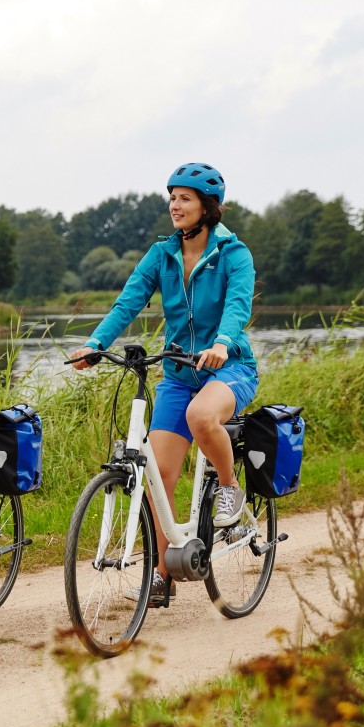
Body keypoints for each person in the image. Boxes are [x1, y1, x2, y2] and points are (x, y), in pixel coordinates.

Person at [69, 162, 259, 606]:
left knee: (201, 415)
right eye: (172, 197)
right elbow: (129, 301)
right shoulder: (162, 254)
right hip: (177, 373)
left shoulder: (235, 254)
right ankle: (161, 574)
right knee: (157, 475)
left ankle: (229, 487)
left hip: (228, 369)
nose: (175, 205)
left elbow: (237, 307)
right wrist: (95, 343)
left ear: (207, 207)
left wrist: (224, 342)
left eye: (185, 198)